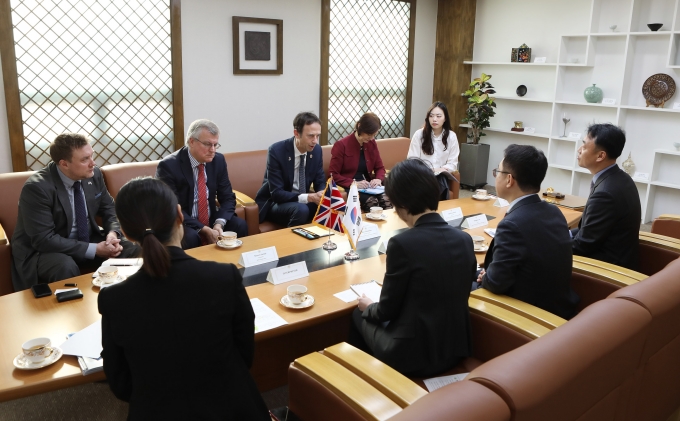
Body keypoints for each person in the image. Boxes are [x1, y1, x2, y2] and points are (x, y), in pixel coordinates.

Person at [98, 177, 270, 420]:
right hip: (233, 407)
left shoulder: (114, 299)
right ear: (180, 215)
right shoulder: (223, 277)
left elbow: (120, 382)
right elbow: (244, 352)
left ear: (125, 232)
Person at [349, 159, 475, 377]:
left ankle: (370, 381)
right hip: (455, 349)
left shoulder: (402, 244)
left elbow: (385, 310)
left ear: (402, 205)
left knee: (359, 313)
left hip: (412, 356)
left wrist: (368, 305)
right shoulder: (464, 239)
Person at [11, 133, 139, 292]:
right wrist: (94, 249)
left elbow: (109, 209)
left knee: (131, 248)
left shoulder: (94, 174)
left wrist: (113, 234)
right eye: (85, 159)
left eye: (92, 156)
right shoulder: (37, 188)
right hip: (44, 251)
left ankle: (126, 300)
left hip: (87, 238)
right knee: (64, 266)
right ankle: (72, 312)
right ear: (64, 164)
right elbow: (43, 239)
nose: (93, 163)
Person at [474, 145, 579, 320]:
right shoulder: (554, 211)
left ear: (509, 179)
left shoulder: (512, 225)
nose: (495, 176)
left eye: (496, 172)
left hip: (529, 315)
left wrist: (487, 276)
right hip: (558, 307)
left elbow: (496, 283)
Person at [156, 119, 248, 249]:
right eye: (208, 144)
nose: (213, 150)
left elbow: (227, 197)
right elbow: (171, 207)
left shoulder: (218, 160)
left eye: (216, 145)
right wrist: (202, 228)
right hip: (183, 221)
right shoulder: (169, 166)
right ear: (191, 141)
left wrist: (219, 224)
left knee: (239, 225)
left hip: (211, 218)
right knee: (191, 237)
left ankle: (236, 267)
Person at [572, 123, 641, 270]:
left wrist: (549, 243)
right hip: (618, 256)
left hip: (606, 270)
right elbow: (588, 231)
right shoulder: (620, 177)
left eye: (584, 146)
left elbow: (582, 246)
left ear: (600, 156)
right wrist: (561, 233)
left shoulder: (605, 194)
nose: (579, 150)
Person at [255, 112, 326, 227]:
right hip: (278, 202)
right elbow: (277, 193)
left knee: (328, 205)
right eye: (311, 136)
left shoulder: (317, 151)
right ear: (296, 133)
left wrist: (321, 193)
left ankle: (319, 241)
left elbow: (320, 180)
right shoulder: (277, 151)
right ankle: (291, 243)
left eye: (317, 136)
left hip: (303, 200)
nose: (315, 141)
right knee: (302, 210)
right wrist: (308, 197)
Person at [329, 112, 391, 212]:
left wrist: (378, 179)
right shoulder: (341, 145)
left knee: (386, 200)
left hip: (368, 185)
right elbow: (333, 175)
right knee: (372, 202)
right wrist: (354, 183)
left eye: (374, 135)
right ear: (359, 126)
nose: (371, 138)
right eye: (369, 134)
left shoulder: (372, 143)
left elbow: (379, 167)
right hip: (351, 186)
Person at [407, 101, 460, 200]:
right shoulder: (419, 135)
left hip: (441, 176)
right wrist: (430, 170)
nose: (434, 119)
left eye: (438, 116)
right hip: (422, 175)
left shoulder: (451, 136)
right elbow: (412, 161)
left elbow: (453, 163)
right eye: (431, 116)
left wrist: (440, 170)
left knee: (439, 179)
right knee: (435, 181)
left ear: (445, 118)